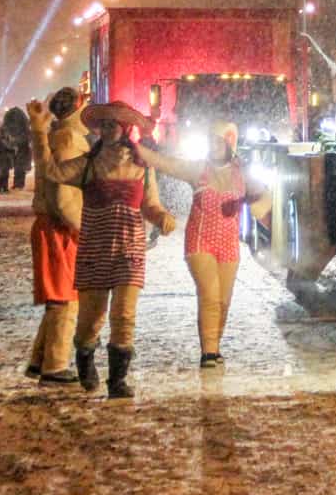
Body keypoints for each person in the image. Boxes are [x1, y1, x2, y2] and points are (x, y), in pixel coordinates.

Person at [27, 98, 175, 399]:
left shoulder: (142, 166)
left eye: (113, 124)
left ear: (125, 128)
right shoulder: (88, 164)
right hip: (95, 247)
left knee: (124, 316)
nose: (108, 129)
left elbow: (151, 204)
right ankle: (85, 360)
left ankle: (117, 381)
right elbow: (52, 172)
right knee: (91, 320)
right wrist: (39, 132)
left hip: (130, 249)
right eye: (104, 124)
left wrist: (162, 217)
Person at [148, 122, 269, 368]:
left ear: (229, 144)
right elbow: (166, 164)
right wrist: (137, 149)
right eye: (210, 141)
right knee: (210, 296)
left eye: (218, 141)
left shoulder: (242, 172)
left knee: (223, 300)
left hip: (229, 245)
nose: (213, 146)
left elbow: (264, 198)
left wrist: (249, 201)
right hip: (200, 241)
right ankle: (208, 352)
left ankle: (215, 344)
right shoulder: (197, 169)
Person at [26, 88, 84, 385]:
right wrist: (80, 225)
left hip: (50, 224)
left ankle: (41, 359)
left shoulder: (56, 135)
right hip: (61, 227)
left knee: (57, 298)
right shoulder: (70, 140)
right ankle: (55, 365)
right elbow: (64, 193)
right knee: (66, 297)